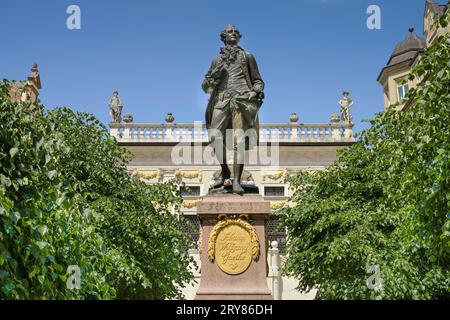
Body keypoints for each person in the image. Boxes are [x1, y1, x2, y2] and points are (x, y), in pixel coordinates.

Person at [203, 25, 265, 194]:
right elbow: (206, 87)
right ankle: (225, 172)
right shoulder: (217, 61)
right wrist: (212, 79)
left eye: (236, 32)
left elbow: (258, 80)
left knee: (238, 141)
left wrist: (255, 91)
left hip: (241, 101)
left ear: (239, 37)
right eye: (230, 32)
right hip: (221, 100)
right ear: (224, 37)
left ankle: (236, 181)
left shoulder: (247, 56)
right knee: (214, 135)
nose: (233, 34)